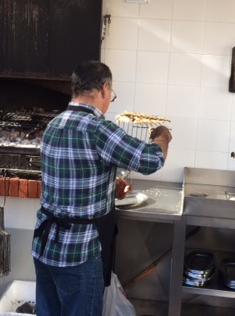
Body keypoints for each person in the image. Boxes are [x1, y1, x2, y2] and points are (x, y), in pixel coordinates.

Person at [32, 60, 172, 316]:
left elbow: (70, 173)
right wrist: (162, 135)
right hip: (79, 252)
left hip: (45, 246)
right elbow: (151, 159)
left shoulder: (54, 124)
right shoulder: (98, 128)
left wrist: (108, 183)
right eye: (112, 95)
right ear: (105, 88)